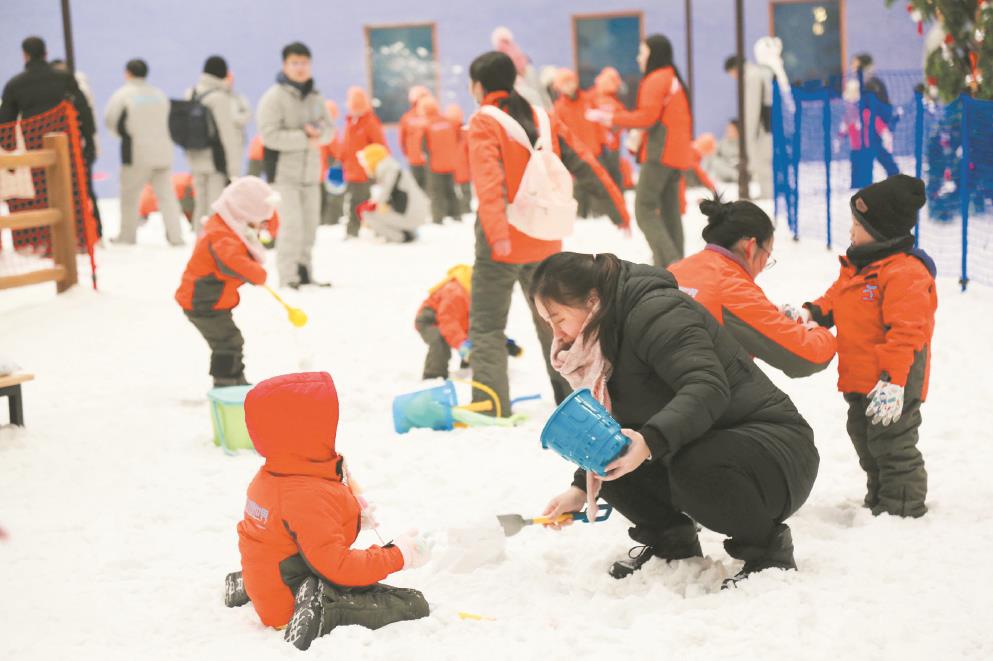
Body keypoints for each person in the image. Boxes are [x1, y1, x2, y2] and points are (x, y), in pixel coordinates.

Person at [532, 252, 819, 587]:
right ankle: (671, 543)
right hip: (707, 443)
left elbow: (707, 387)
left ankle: (768, 553)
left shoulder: (657, 312)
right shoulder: (603, 335)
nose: (558, 334)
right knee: (609, 456)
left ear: (592, 300)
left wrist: (650, 441)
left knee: (692, 465)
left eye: (559, 319)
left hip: (774, 454)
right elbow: (620, 422)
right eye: (547, 322)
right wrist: (581, 488)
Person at [466, 51, 629, 415]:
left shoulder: (484, 122)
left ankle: (490, 404)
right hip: (543, 241)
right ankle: (571, 399)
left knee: (488, 326)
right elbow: (584, 161)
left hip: (501, 243)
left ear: (478, 86)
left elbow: (489, 184)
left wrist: (498, 236)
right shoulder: (542, 116)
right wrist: (616, 204)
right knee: (555, 324)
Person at [234, 372, 430, 651]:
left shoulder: (274, 476)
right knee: (413, 603)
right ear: (305, 431)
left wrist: (354, 516)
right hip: (288, 602)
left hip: (270, 580)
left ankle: (254, 585)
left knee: (277, 559)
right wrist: (399, 555)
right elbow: (339, 567)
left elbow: (300, 527)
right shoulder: (303, 494)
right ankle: (321, 608)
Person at [799, 175, 936, 518]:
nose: (851, 232)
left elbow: (907, 331)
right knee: (864, 437)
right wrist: (812, 312)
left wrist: (894, 381)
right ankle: (880, 499)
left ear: (881, 229)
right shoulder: (859, 266)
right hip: (861, 377)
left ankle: (902, 508)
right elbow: (836, 299)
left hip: (894, 378)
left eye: (857, 225)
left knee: (893, 445)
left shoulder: (904, 272)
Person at [668, 197, 836, 378]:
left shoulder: (678, 269)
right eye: (767, 255)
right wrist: (817, 331)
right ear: (749, 246)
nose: (764, 265)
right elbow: (806, 357)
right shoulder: (731, 288)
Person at [593, 34, 692, 267]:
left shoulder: (656, 79)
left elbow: (647, 117)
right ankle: (678, 264)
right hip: (676, 153)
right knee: (669, 212)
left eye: (642, 53)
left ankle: (671, 263)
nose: (639, 58)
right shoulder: (671, 77)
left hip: (660, 152)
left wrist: (611, 117)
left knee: (644, 208)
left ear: (653, 54)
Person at [175, 177, 273, 387]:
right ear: (245, 212)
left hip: (212, 301)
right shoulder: (222, 236)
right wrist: (259, 274)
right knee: (228, 341)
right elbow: (234, 262)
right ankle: (226, 382)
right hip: (202, 302)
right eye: (259, 220)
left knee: (230, 339)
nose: (260, 226)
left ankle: (234, 379)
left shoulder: (226, 227)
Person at [257, 41, 333, 287]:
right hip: (284, 175)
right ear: (285, 65)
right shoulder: (273, 98)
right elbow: (269, 135)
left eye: (304, 63)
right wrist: (305, 137)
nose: (300, 68)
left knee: (310, 227)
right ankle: (287, 277)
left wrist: (319, 134)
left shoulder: (315, 96)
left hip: (311, 174)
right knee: (291, 227)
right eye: (295, 63)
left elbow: (330, 131)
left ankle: (304, 273)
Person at [105, 58, 185, 246]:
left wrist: (125, 135)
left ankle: (127, 236)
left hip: (136, 153)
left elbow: (110, 120)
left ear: (128, 73)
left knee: (129, 197)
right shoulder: (159, 94)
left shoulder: (123, 95)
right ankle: (176, 237)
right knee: (167, 197)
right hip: (163, 152)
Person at [185, 55, 247, 231]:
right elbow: (227, 135)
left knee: (200, 205)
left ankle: (199, 243)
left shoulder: (192, 92)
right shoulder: (220, 97)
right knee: (215, 207)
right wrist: (234, 169)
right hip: (216, 160)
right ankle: (211, 248)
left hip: (195, 157)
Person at [553, 69, 603, 218]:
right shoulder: (559, 107)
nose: (569, 86)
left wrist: (601, 142)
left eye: (571, 81)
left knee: (595, 182)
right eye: (565, 83)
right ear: (559, 87)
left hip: (593, 148)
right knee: (579, 185)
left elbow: (598, 123)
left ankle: (598, 213)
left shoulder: (589, 100)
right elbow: (558, 132)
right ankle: (580, 215)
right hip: (575, 152)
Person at [354, 143, 428, 243]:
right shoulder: (391, 167)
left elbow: (383, 197)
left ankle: (400, 237)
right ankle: (408, 232)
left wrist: (370, 208)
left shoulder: (389, 169)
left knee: (366, 214)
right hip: (414, 213)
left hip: (412, 215)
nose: (365, 166)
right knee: (374, 211)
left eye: (366, 161)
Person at [723, 54, 773, 199]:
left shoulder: (752, 77)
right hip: (766, 125)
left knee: (763, 162)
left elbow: (752, 109)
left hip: (763, 127)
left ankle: (768, 194)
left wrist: (748, 134)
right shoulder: (756, 73)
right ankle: (767, 193)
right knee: (765, 162)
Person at [340, 86, 386, 239]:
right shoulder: (351, 122)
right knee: (356, 202)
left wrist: (375, 168)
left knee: (362, 203)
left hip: (366, 172)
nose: (355, 109)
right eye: (353, 106)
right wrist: (341, 162)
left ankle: (367, 230)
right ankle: (356, 231)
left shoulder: (370, 122)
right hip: (351, 171)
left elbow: (379, 147)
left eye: (358, 106)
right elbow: (346, 146)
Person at [415, 265, 473, 380]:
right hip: (430, 320)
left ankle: (469, 368)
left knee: (476, 336)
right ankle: (434, 377)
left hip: (453, 321)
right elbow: (447, 321)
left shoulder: (472, 295)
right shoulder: (455, 292)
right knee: (440, 341)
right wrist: (462, 344)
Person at [418, 95, 460, 223]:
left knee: (436, 192)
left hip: (435, 164)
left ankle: (438, 218)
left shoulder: (426, 125)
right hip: (450, 162)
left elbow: (424, 147)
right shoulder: (448, 122)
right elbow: (456, 139)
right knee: (451, 190)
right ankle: (456, 215)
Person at [491, 27, 553, 111]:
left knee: (537, 93)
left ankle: (547, 110)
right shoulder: (503, 50)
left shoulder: (513, 47)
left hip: (525, 74)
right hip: (519, 77)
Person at [591, 67, 626, 192]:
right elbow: (621, 123)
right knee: (614, 176)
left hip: (599, 145)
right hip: (609, 145)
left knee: (602, 176)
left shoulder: (591, 98)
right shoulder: (614, 103)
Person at [398, 86, 430, 191]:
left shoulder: (407, 118)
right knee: (428, 190)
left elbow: (402, 141)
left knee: (419, 190)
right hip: (423, 161)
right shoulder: (408, 118)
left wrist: (409, 154)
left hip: (421, 161)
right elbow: (402, 141)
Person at [444, 103, 473, 216]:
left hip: (450, 166)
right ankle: (465, 208)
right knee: (465, 190)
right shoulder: (466, 131)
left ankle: (455, 210)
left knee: (451, 190)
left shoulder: (444, 131)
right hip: (464, 165)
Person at [708, 119, 740, 183]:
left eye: (731, 129)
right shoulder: (723, 142)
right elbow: (713, 156)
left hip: (739, 167)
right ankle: (737, 177)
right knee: (716, 162)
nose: (728, 131)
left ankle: (739, 177)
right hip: (727, 169)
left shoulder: (744, 142)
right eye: (728, 129)